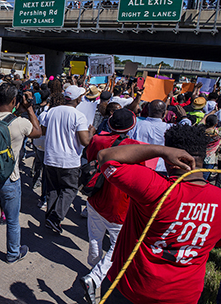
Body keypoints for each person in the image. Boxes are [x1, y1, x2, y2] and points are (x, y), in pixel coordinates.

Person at [98, 123, 221, 304]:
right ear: (205, 155)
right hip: (184, 296)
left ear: (170, 158)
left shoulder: (155, 187)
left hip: (132, 289)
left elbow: (106, 157)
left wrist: (160, 150)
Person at [0, 82, 42, 281]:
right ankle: (12, 253)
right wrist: (29, 107)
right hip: (10, 179)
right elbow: (37, 132)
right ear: (14, 101)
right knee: (12, 220)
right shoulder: (19, 123)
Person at [79, 109, 139, 304]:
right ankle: (95, 277)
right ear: (131, 127)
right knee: (118, 246)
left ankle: (94, 269)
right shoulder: (135, 147)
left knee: (95, 237)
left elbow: (89, 159)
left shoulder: (97, 140)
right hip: (119, 204)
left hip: (95, 197)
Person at [42, 85, 95, 234]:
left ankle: (50, 218)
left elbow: (43, 130)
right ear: (78, 99)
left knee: (53, 189)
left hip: (51, 157)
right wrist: (91, 132)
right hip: (68, 160)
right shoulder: (78, 116)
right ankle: (55, 217)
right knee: (70, 189)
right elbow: (85, 141)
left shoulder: (52, 111)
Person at [127, 99, 172, 173]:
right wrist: (184, 117)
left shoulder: (136, 126)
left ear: (148, 111)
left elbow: (128, 143)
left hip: (139, 166)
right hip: (160, 169)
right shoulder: (169, 128)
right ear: (164, 113)